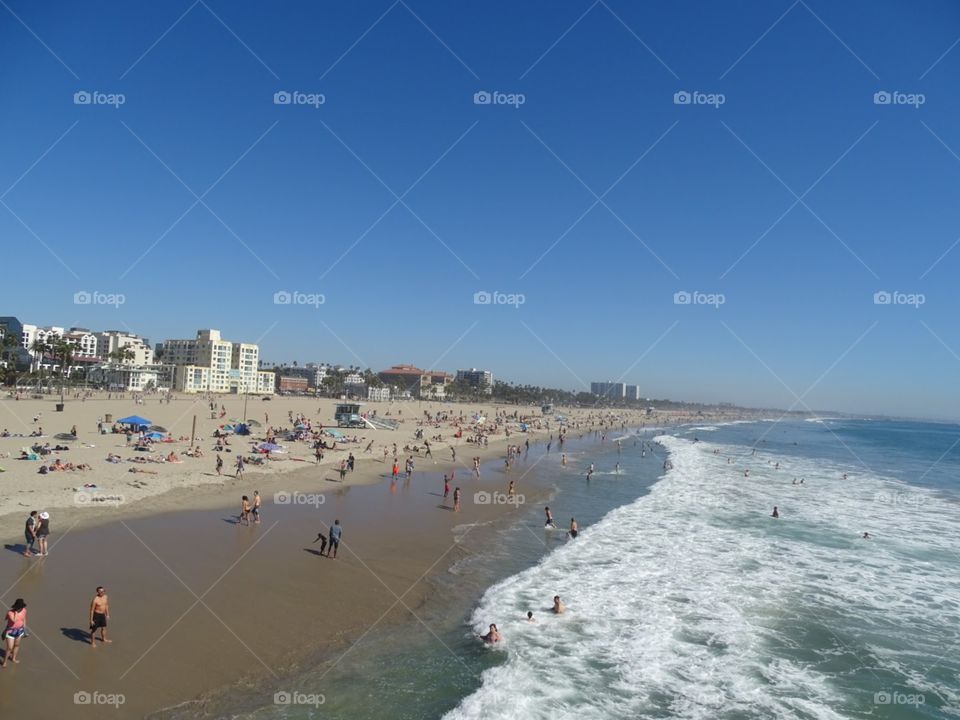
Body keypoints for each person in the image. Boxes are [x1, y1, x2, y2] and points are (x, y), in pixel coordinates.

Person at [1, 599, 27, 667]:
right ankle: (5, 662)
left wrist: (25, 629)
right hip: (10, 631)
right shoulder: (10, 612)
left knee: (17, 645)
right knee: (9, 647)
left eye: (20, 607)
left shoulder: (24, 610)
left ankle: (13, 658)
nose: (20, 609)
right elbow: (13, 621)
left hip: (20, 630)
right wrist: (16, 613)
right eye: (18, 607)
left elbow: (24, 618)